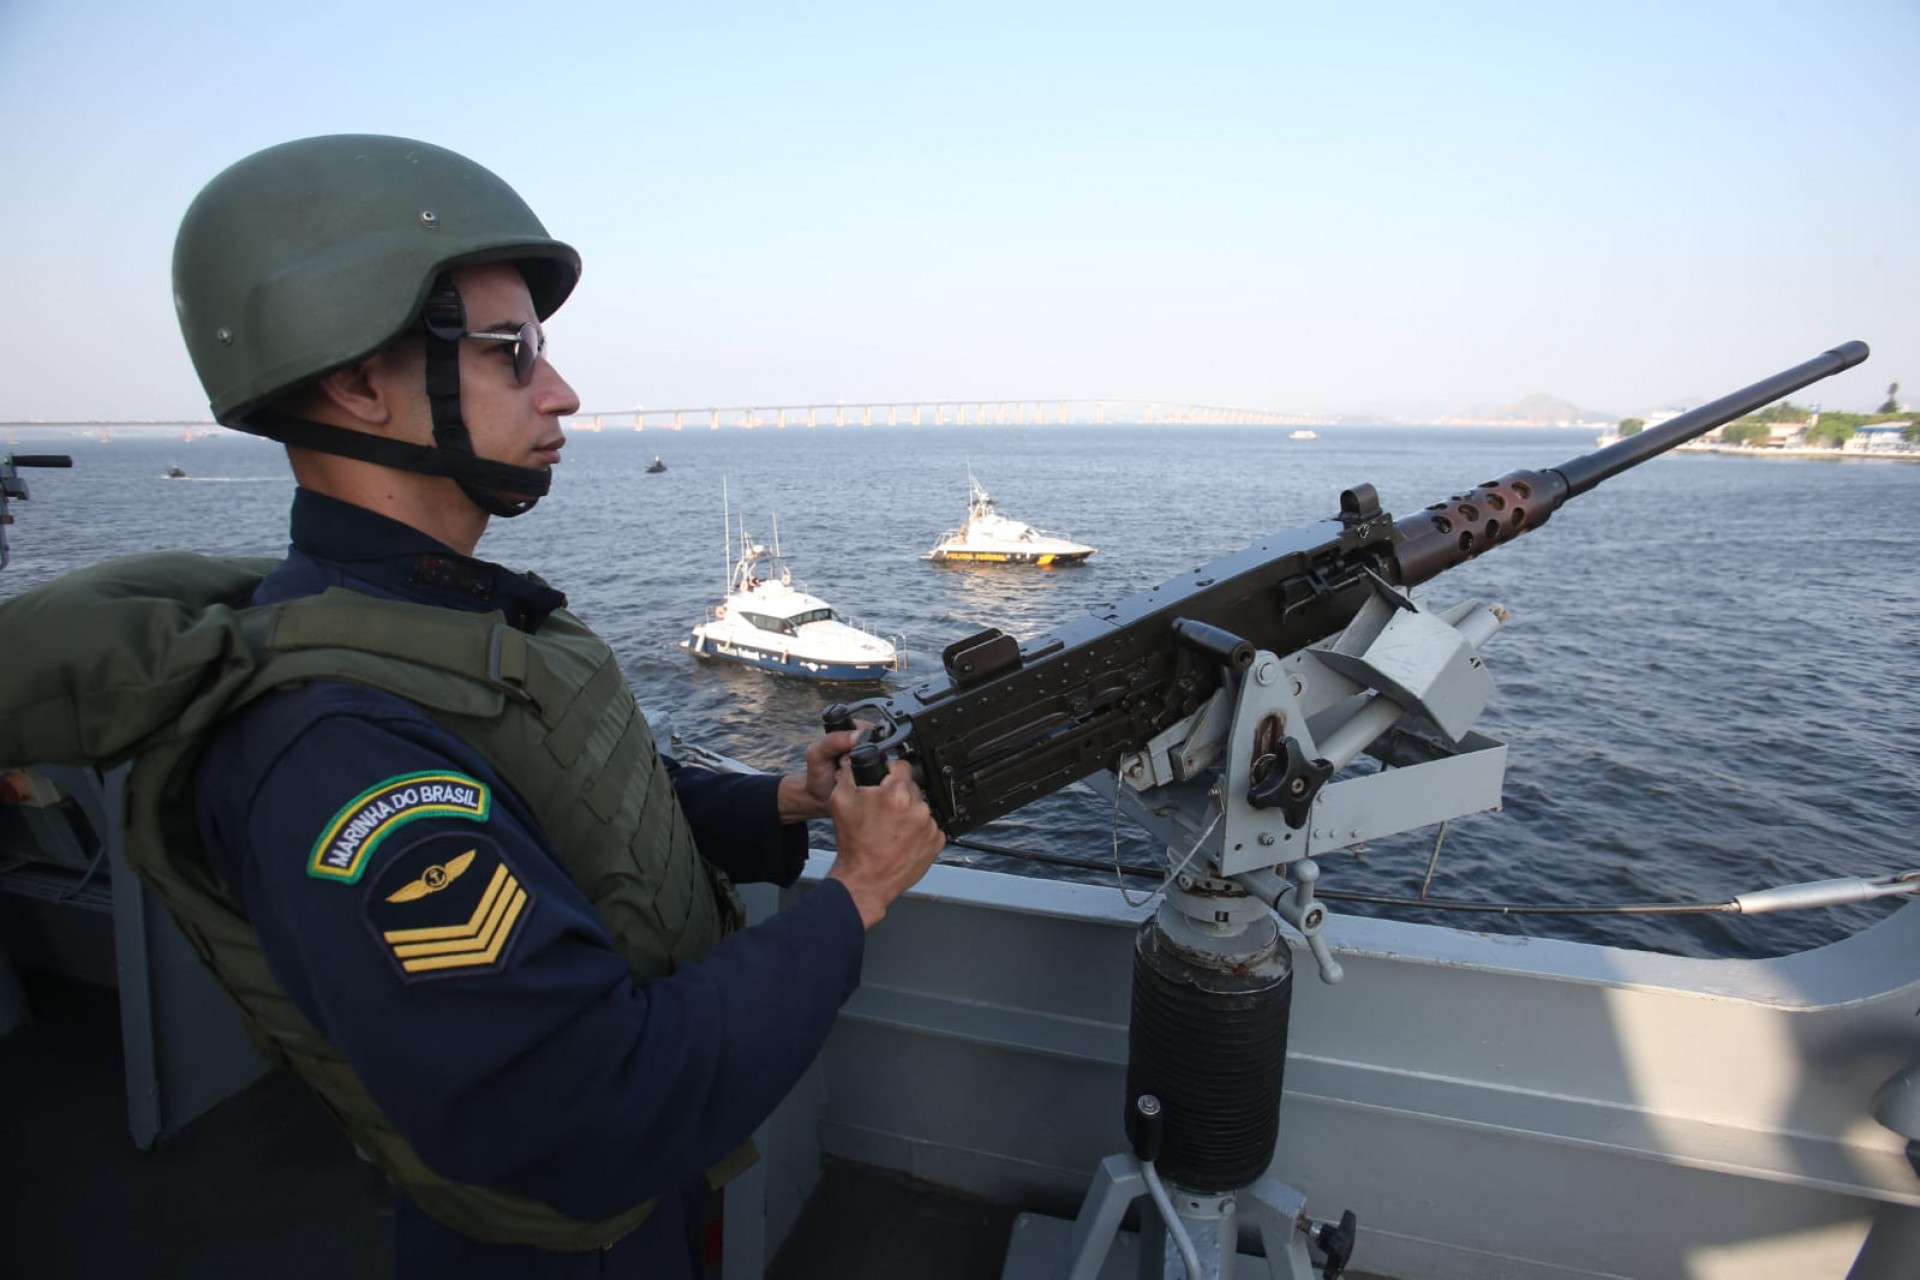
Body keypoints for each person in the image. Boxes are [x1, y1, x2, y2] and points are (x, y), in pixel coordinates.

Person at [157, 134, 947, 1277]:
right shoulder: (336, 742)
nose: (562, 390)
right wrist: (859, 890)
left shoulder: (434, 621)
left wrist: (786, 799)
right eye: (511, 351)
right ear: (359, 382)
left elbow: (574, 799)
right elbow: (586, 1108)